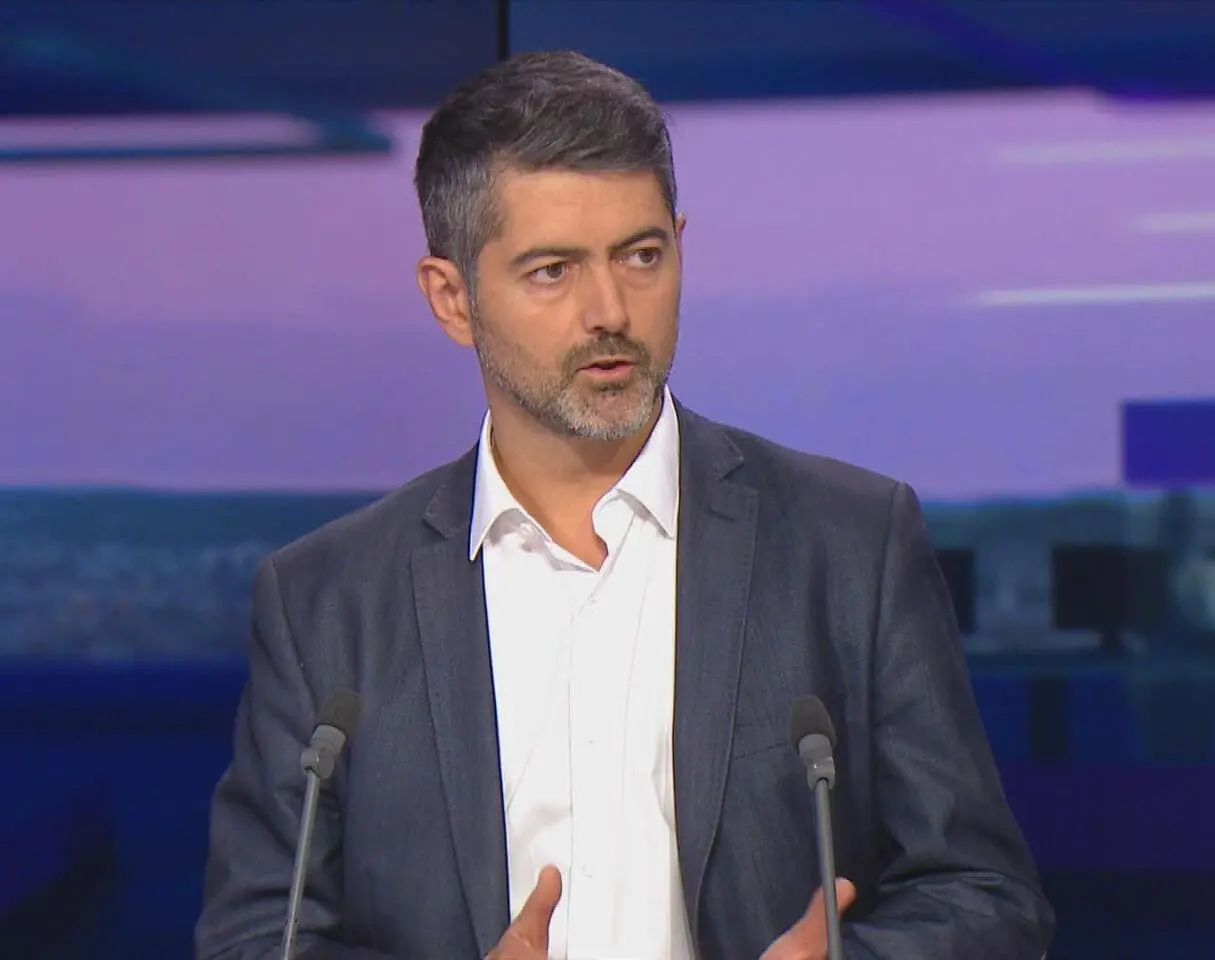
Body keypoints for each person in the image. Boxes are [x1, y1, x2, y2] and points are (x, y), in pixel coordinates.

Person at [195, 50, 1055, 960]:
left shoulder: (849, 547)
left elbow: (986, 899)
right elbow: (259, 938)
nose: (610, 309)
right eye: (552, 270)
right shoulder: (326, 602)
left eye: (642, 255)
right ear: (453, 299)